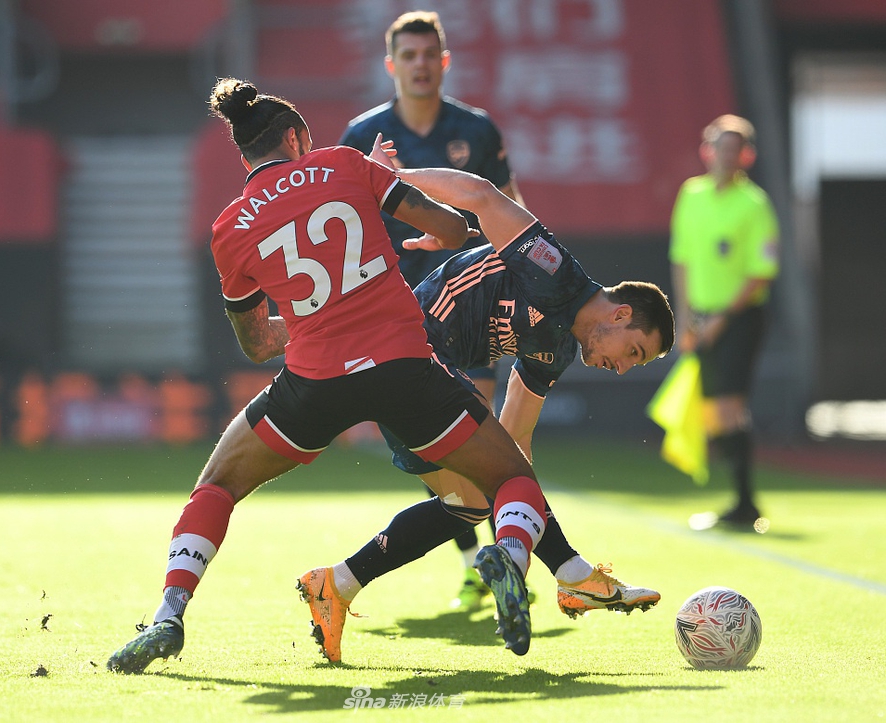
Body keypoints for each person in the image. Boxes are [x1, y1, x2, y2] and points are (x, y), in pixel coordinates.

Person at [106, 78, 550, 673]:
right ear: (295, 138)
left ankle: (168, 614)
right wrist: (420, 227)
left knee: (216, 486)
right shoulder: (344, 165)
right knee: (511, 478)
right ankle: (511, 558)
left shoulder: (230, 227)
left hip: (313, 382)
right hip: (404, 367)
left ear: (244, 157)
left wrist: (314, 318)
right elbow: (450, 229)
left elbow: (259, 343)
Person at [297, 137, 675, 663]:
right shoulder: (554, 268)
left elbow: (514, 444)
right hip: (407, 348)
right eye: (633, 351)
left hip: (416, 371)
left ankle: (335, 584)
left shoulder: (561, 344)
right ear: (618, 314)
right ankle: (567, 573)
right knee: (486, 490)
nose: (624, 367)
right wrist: (386, 179)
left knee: (474, 499)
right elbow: (479, 193)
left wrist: (519, 511)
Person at [339, 9, 525, 609]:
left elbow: (508, 204)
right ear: (391, 65)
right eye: (408, 56)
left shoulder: (478, 129)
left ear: (444, 62)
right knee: (435, 449)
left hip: (475, 304)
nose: (420, 65)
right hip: (400, 320)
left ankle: (504, 560)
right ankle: (479, 554)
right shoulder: (362, 135)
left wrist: (524, 271)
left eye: (429, 55)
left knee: (493, 437)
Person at [669, 114, 779, 531]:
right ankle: (740, 500)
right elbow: (681, 259)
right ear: (706, 151)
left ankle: (746, 503)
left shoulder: (754, 204)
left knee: (731, 407)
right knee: (715, 410)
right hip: (701, 315)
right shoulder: (691, 194)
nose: (726, 156)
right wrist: (686, 316)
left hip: (740, 317)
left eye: (735, 149)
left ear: (745, 156)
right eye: (720, 147)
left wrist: (721, 318)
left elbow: (761, 271)